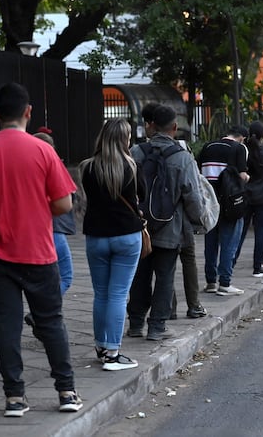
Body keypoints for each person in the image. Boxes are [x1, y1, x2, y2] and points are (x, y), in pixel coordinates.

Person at [0, 82, 82, 417]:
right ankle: (66, 391)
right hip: (38, 252)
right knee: (51, 323)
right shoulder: (43, 150)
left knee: (6, 326)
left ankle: (14, 398)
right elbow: (65, 204)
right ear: (28, 112)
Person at [127, 105, 206, 339]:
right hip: (170, 227)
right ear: (174, 127)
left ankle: (135, 324)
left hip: (141, 227)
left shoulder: (136, 152)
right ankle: (157, 326)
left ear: (151, 125)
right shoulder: (182, 158)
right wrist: (198, 221)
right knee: (165, 277)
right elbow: (192, 194)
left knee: (140, 275)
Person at [80, 117, 145, 370]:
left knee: (102, 293)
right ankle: (113, 354)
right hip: (127, 236)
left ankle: (100, 346)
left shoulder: (86, 167)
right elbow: (143, 197)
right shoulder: (132, 166)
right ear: (124, 139)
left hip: (96, 236)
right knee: (118, 294)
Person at [24, 132, 77, 337]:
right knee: (65, 276)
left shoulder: (28, 168)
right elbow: (66, 201)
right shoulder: (52, 166)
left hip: (35, 230)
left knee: (46, 278)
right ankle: (41, 314)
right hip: (53, 229)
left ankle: (41, 314)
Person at [198, 125, 249, 296]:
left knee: (210, 243)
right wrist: (247, 178)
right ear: (242, 138)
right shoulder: (238, 148)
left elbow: (199, 173)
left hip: (209, 204)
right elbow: (242, 176)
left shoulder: (207, 147)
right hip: (229, 204)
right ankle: (225, 283)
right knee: (229, 242)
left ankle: (211, 281)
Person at [233, 121, 263, 278]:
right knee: (262, 232)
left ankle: (231, 263)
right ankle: (257, 267)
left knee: (240, 231)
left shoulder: (242, 152)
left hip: (245, 195)